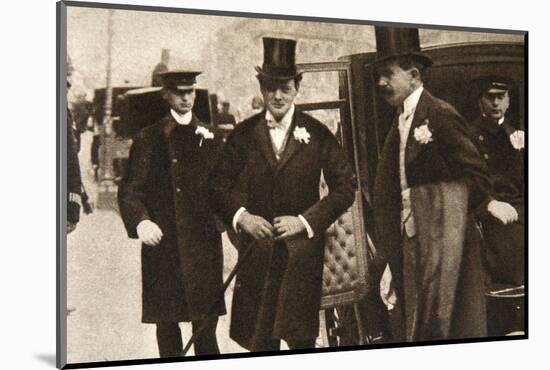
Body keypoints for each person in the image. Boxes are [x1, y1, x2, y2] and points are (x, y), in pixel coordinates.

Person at [209, 37, 355, 351]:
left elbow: (345, 188)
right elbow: (217, 185)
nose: (277, 96)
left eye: (285, 88)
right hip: (257, 256)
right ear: (261, 88)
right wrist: (242, 217)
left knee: (302, 343)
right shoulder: (243, 135)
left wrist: (304, 221)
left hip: (300, 258)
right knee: (261, 344)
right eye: (271, 87)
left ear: (296, 89)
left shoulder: (317, 134)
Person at [371, 28, 492, 342]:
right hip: (414, 246)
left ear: (413, 76)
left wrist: (428, 202)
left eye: (387, 75)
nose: (380, 83)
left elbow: (478, 179)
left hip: (447, 249)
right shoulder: (400, 119)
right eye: (378, 76)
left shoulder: (439, 115)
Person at [118, 71, 225, 357]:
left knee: (206, 331)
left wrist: (222, 221)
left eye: (191, 92)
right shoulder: (149, 138)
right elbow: (130, 191)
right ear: (166, 95)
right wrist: (142, 222)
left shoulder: (212, 137)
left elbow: (227, 187)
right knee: (167, 329)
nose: (187, 98)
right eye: (180, 92)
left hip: (203, 248)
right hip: (164, 246)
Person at [469, 76, 524, 286]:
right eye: (489, 97)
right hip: (494, 213)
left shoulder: (518, 135)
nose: (495, 103)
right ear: (479, 101)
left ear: (508, 101)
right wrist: (490, 205)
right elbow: (471, 182)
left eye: (501, 97)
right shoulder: (471, 136)